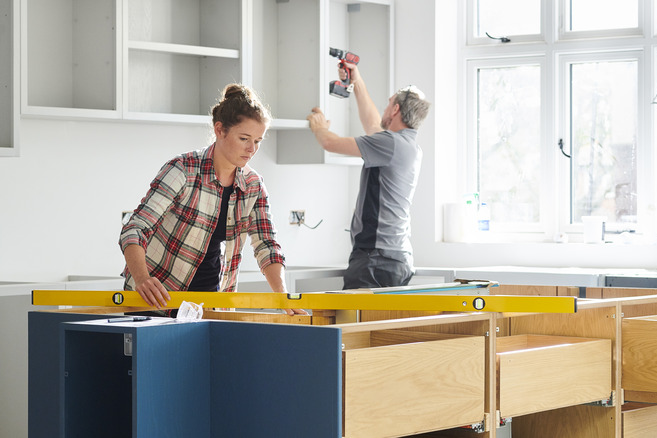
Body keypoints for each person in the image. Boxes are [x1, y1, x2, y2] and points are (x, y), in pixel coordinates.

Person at [119, 84, 306, 315]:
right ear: (220, 130)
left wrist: (283, 298)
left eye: (258, 141)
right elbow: (135, 229)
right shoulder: (183, 170)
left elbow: (267, 246)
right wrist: (142, 279)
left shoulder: (253, 185)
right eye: (244, 138)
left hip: (209, 306)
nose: (252, 149)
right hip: (155, 302)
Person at [307, 63, 431, 289]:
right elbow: (373, 124)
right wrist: (357, 82)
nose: (385, 109)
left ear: (395, 110)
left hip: (376, 259)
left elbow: (330, 143)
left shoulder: (389, 143)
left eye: (388, 104)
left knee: (355, 323)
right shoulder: (406, 145)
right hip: (394, 257)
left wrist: (319, 127)